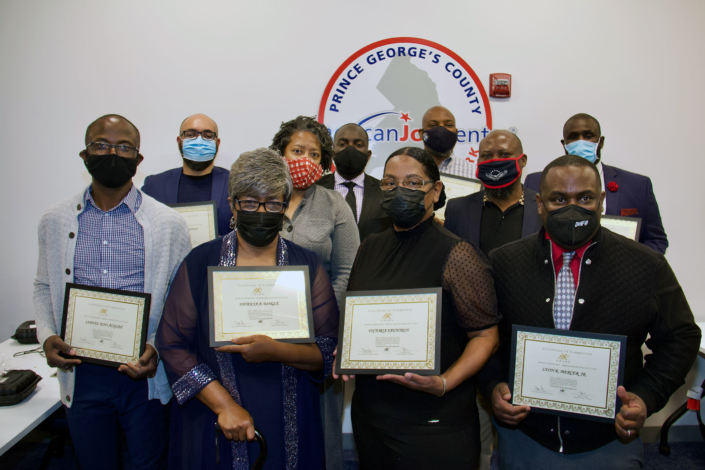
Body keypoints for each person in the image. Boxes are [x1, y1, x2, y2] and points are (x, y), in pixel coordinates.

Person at [478, 155, 701, 469]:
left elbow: (682, 337)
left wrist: (647, 396)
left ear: (602, 202)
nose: (573, 208)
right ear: (539, 204)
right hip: (527, 436)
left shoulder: (645, 265)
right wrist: (493, 385)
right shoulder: (504, 262)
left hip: (608, 440)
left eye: (585, 198)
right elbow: (482, 335)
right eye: (559, 199)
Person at [156, 148, 339, 470]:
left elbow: (326, 351)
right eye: (251, 203)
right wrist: (224, 405)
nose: (262, 211)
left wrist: (276, 350)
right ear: (232, 204)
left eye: (272, 203)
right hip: (212, 413)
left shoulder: (306, 265)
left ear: (285, 206)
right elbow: (172, 344)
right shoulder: (201, 261)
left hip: (291, 412)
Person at [33, 114, 192, 470]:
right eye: (101, 145)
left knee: (148, 465)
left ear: (138, 160)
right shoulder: (55, 219)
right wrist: (47, 337)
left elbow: (180, 302)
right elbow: (44, 285)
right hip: (81, 373)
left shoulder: (168, 223)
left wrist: (155, 346)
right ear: (84, 155)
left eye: (124, 147)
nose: (112, 153)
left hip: (143, 376)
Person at [336, 147, 501, 470]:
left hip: (435, 419)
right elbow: (357, 314)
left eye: (413, 183)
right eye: (389, 183)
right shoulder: (369, 247)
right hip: (372, 415)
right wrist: (347, 347)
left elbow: (485, 336)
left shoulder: (458, 253)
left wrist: (444, 382)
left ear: (435, 190)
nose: (400, 191)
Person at [443, 129, 542, 470]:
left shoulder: (543, 206)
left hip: (525, 336)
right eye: (485, 156)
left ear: (522, 160)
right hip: (472, 336)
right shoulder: (458, 209)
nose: (493, 161)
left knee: (525, 434)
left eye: (501, 153)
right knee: (478, 438)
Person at [271, 115, 359, 470]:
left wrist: (319, 318)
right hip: (262, 327)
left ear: (324, 163)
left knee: (320, 435)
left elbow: (347, 270)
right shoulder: (258, 196)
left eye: (314, 154)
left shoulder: (335, 204)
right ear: (279, 152)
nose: (304, 159)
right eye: (296, 150)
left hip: (318, 337)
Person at [524, 113, 668, 254]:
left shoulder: (637, 185)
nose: (581, 142)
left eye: (588, 136)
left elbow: (656, 239)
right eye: (573, 137)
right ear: (564, 144)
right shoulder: (535, 182)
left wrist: (634, 268)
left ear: (601, 141)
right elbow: (528, 236)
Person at [142, 113, 232, 237]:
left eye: (207, 135)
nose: (199, 141)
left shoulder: (234, 183)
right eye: (191, 135)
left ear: (217, 143)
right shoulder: (153, 185)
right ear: (179, 141)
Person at [317, 122, 390, 242]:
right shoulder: (314, 189)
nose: (350, 149)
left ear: (368, 155)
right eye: (342, 144)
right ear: (333, 153)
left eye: (358, 144)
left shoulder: (385, 191)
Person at [419, 105, 474, 177]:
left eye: (448, 125)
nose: (441, 129)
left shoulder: (472, 172)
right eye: (433, 125)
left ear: (456, 133)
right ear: (421, 134)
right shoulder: (407, 168)